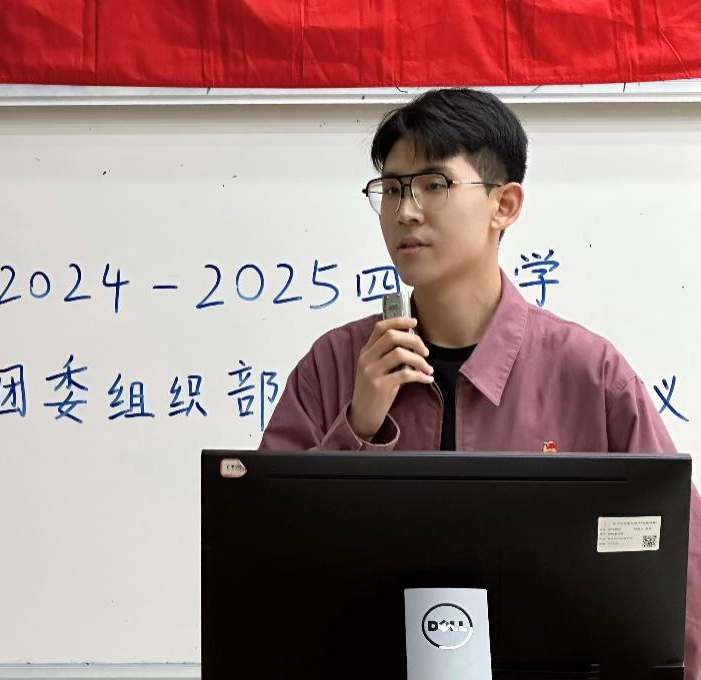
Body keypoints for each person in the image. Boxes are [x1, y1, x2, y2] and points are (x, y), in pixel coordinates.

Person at [257, 87, 700, 677]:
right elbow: (263, 555)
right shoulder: (335, 363)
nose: (406, 211)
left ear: (504, 205)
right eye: (392, 189)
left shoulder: (589, 372)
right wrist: (356, 428)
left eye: (434, 185)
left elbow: (679, 565)